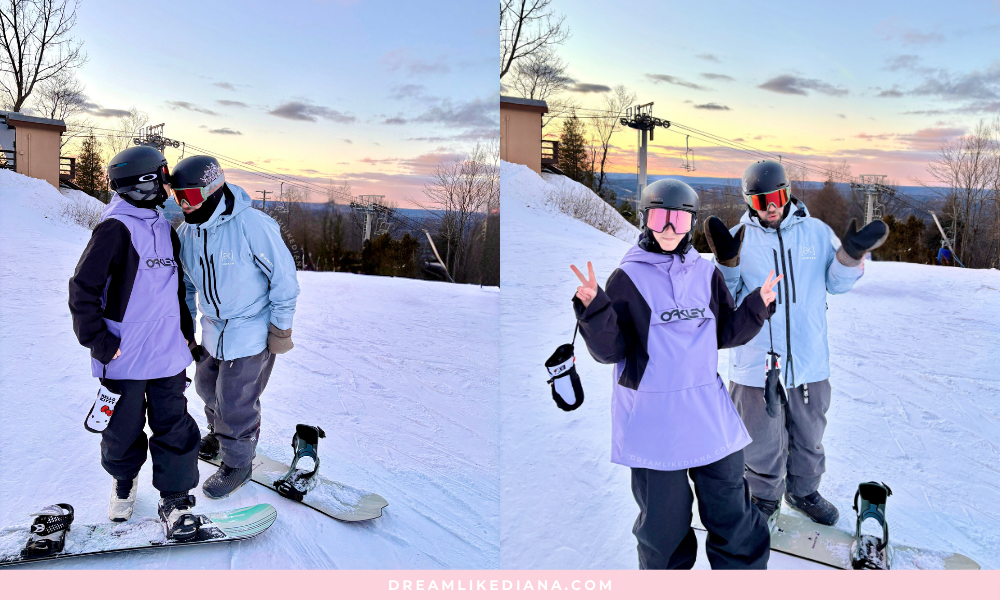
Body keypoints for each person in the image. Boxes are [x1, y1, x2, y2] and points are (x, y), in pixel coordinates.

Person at [571, 178, 783, 570]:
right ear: (645, 220)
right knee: (663, 531)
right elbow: (611, 351)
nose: (669, 229)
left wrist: (757, 305)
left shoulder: (705, 274)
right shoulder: (628, 279)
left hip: (708, 414)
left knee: (733, 518)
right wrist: (594, 309)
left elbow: (724, 332)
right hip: (656, 423)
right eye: (659, 218)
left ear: (691, 224)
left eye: (679, 221)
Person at [703, 160, 889, 529]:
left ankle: (803, 492)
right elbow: (728, 298)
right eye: (761, 201)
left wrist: (850, 256)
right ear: (749, 202)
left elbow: (836, 283)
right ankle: (764, 497)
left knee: (809, 436)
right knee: (760, 441)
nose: (771, 206)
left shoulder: (816, 233)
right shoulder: (739, 236)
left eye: (777, 196)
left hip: (808, 359)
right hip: (756, 360)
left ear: (788, 193)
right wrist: (726, 263)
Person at [68, 145, 202, 541]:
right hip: (125, 354)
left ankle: (176, 496)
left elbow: (174, 288)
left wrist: (185, 336)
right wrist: (100, 342)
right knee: (122, 428)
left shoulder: (161, 223)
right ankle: (124, 480)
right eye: (162, 175)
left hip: (166, 353)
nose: (167, 182)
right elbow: (82, 289)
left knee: (173, 424)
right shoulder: (114, 228)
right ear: (145, 182)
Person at [171, 155, 299, 499]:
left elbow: (284, 280)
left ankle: (238, 463)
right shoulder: (188, 233)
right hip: (213, 328)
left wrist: (281, 330)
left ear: (212, 191)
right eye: (177, 196)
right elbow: (185, 284)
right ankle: (219, 432)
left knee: (235, 401)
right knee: (206, 386)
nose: (184, 205)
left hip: (251, 328)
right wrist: (187, 329)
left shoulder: (253, 226)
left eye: (190, 197)